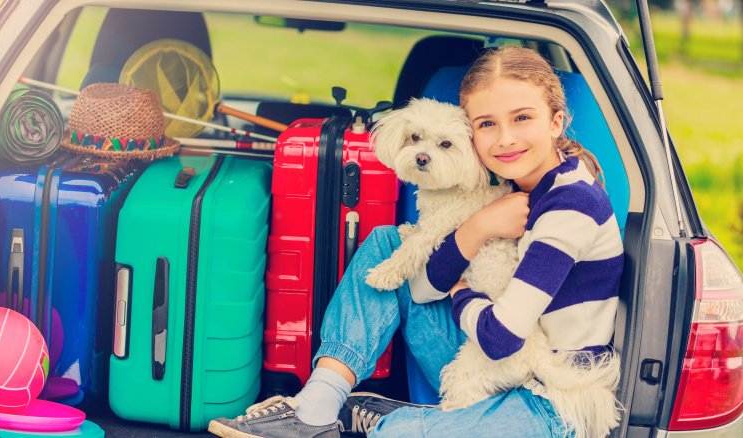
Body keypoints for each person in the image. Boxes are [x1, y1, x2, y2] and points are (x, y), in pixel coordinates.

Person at [208, 46, 624, 438]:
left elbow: (502, 339)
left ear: (555, 121)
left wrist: (462, 293)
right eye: (487, 124)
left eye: (522, 118)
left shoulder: (571, 206)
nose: (505, 139)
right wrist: (478, 226)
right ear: (472, 134)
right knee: (390, 245)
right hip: (489, 361)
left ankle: (400, 419)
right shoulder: (506, 191)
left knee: (396, 435)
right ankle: (315, 409)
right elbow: (421, 289)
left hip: (550, 401)